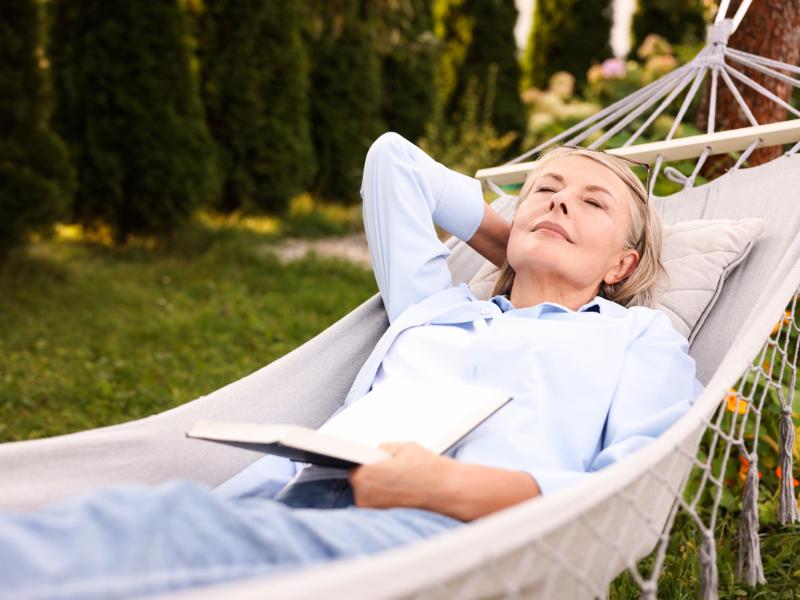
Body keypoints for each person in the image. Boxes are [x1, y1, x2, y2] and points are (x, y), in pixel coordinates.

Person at [0, 132, 702, 599]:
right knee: (136, 517)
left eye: (592, 202)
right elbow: (394, 161)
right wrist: (523, 237)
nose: (558, 200)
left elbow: (635, 487)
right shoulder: (434, 307)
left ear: (623, 264)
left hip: (446, 538)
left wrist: (446, 483)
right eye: (545, 190)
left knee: (152, 536)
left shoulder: (638, 342)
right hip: (286, 496)